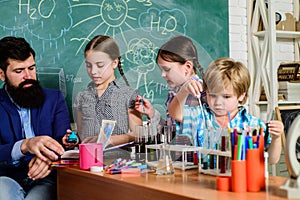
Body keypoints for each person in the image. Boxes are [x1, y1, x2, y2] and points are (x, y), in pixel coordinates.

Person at [168, 57, 283, 164]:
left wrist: (277, 138)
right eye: (212, 95)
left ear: (241, 96)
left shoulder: (252, 125)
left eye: (226, 97)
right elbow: (174, 113)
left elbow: (272, 160)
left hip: (238, 181)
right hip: (204, 180)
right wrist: (184, 90)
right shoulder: (200, 115)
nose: (218, 102)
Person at [0, 36, 74, 200]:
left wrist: (48, 159)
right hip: (7, 177)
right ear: (2, 74)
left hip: (46, 178)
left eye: (31, 68)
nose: (28, 76)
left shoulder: (55, 99)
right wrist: (25, 145)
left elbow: (65, 141)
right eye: (19, 71)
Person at [134, 35, 205, 147]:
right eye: (161, 70)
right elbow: (170, 133)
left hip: (195, 161)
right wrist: (152, 113)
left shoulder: (201, 93)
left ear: (187, 67)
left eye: (167, 69)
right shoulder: (174, 93)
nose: (163, 75)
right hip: (178, 161)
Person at [73, 35, 142, 147]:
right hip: (88, 160)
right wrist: (73, 139)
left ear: (114, 63)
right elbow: (81, 136)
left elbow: (137, 135)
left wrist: (110, 140)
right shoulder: (81, 97)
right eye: (88, 65)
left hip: (119, 160)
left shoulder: (129, 95)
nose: (93, 71)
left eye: (100, 65)